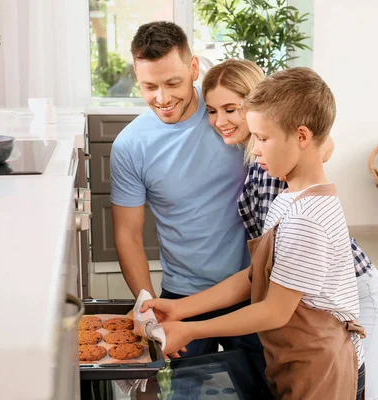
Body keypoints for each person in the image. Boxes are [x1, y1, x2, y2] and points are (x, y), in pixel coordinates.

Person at [202, 59, 378, 398]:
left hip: (354, 288)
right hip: (310, 295)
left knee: (372, 392)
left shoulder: (283, 175)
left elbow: (320, 143)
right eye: (212, 110)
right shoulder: (268, 167)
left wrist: (189, 327)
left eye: (232, 109)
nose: (221, 121)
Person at [142, 67, 368, 399]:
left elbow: (273, 311)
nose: (256, 149)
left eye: (263, 138)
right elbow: (253, 277)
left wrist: (191, 330)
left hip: (325, 370)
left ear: (302, 137)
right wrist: (181, 308)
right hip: (298, 361)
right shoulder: (289, 197)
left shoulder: (308, 218)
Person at [109, 21, 264, 365]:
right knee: (183, 389)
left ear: (194, 68)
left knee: (265, 388)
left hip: (253, 289)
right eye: (149, 86)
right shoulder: (130, 146)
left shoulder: (229, 118)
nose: (162, 99)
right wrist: (145, 305)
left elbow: (307, 137)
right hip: (182, 296)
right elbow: (128, 235)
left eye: (173, 83)